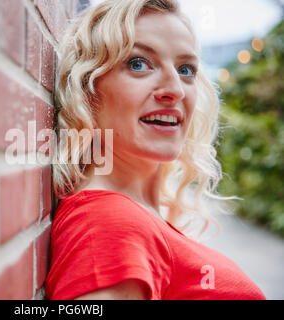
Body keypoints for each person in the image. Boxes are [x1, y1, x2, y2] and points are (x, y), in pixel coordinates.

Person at [45, 0, 266, 300]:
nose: (174, 89)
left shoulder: (133, 218)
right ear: (88, 89)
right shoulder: (109, 224)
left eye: (185, 69)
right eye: (138, 63)